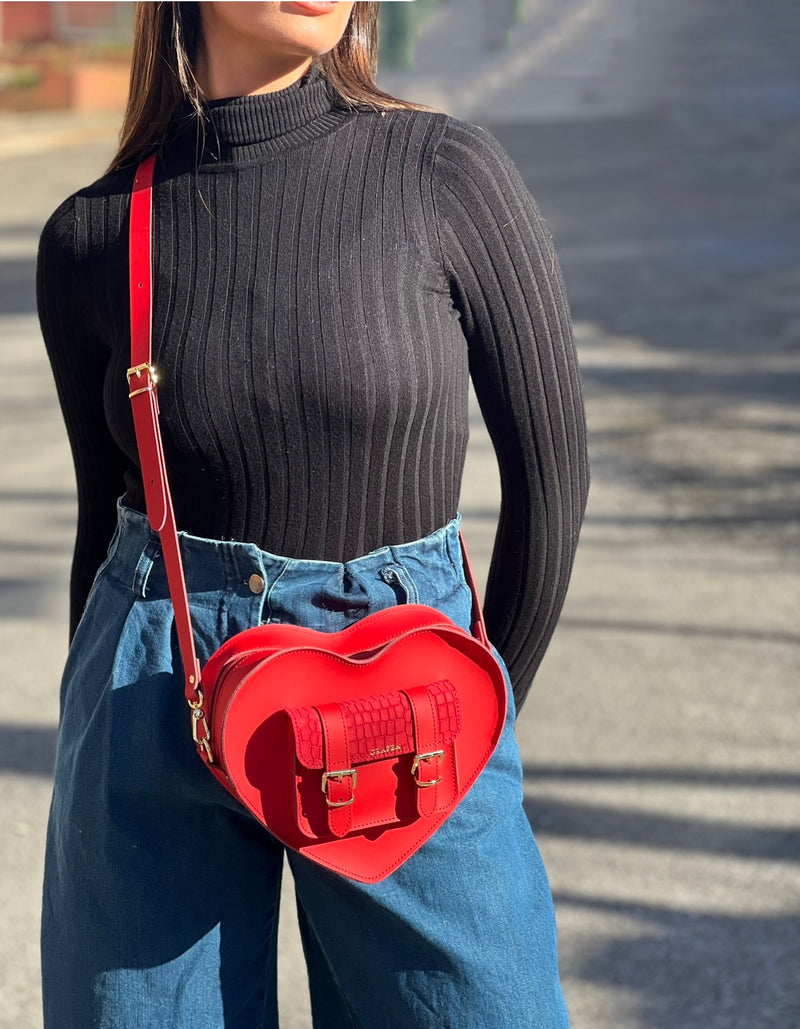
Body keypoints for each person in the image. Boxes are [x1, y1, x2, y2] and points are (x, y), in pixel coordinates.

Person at [37, 3, 588, 1027]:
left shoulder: (442, 173)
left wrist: (478, 715)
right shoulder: (94, 233)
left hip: (405, 696)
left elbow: (552, 479)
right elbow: (102, 521)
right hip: (156, 692)